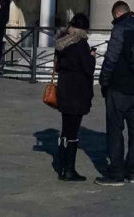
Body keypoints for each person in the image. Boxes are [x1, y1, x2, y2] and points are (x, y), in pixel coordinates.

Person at [96, 1, 134, 187]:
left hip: (119, 87)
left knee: (115, 130)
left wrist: (104, 82)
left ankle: (116, 173)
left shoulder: (120, 29)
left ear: (116, 14)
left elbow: (111, 58)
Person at [52, 12, 95, 182]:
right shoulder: (80, 44)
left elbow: (59, 66)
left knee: (65, 129)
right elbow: (88, 69)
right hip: (77, 93)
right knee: (73, 132)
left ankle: (62, 166)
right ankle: (69, 170)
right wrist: (91, 57)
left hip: (64, 91)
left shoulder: (62, 44)